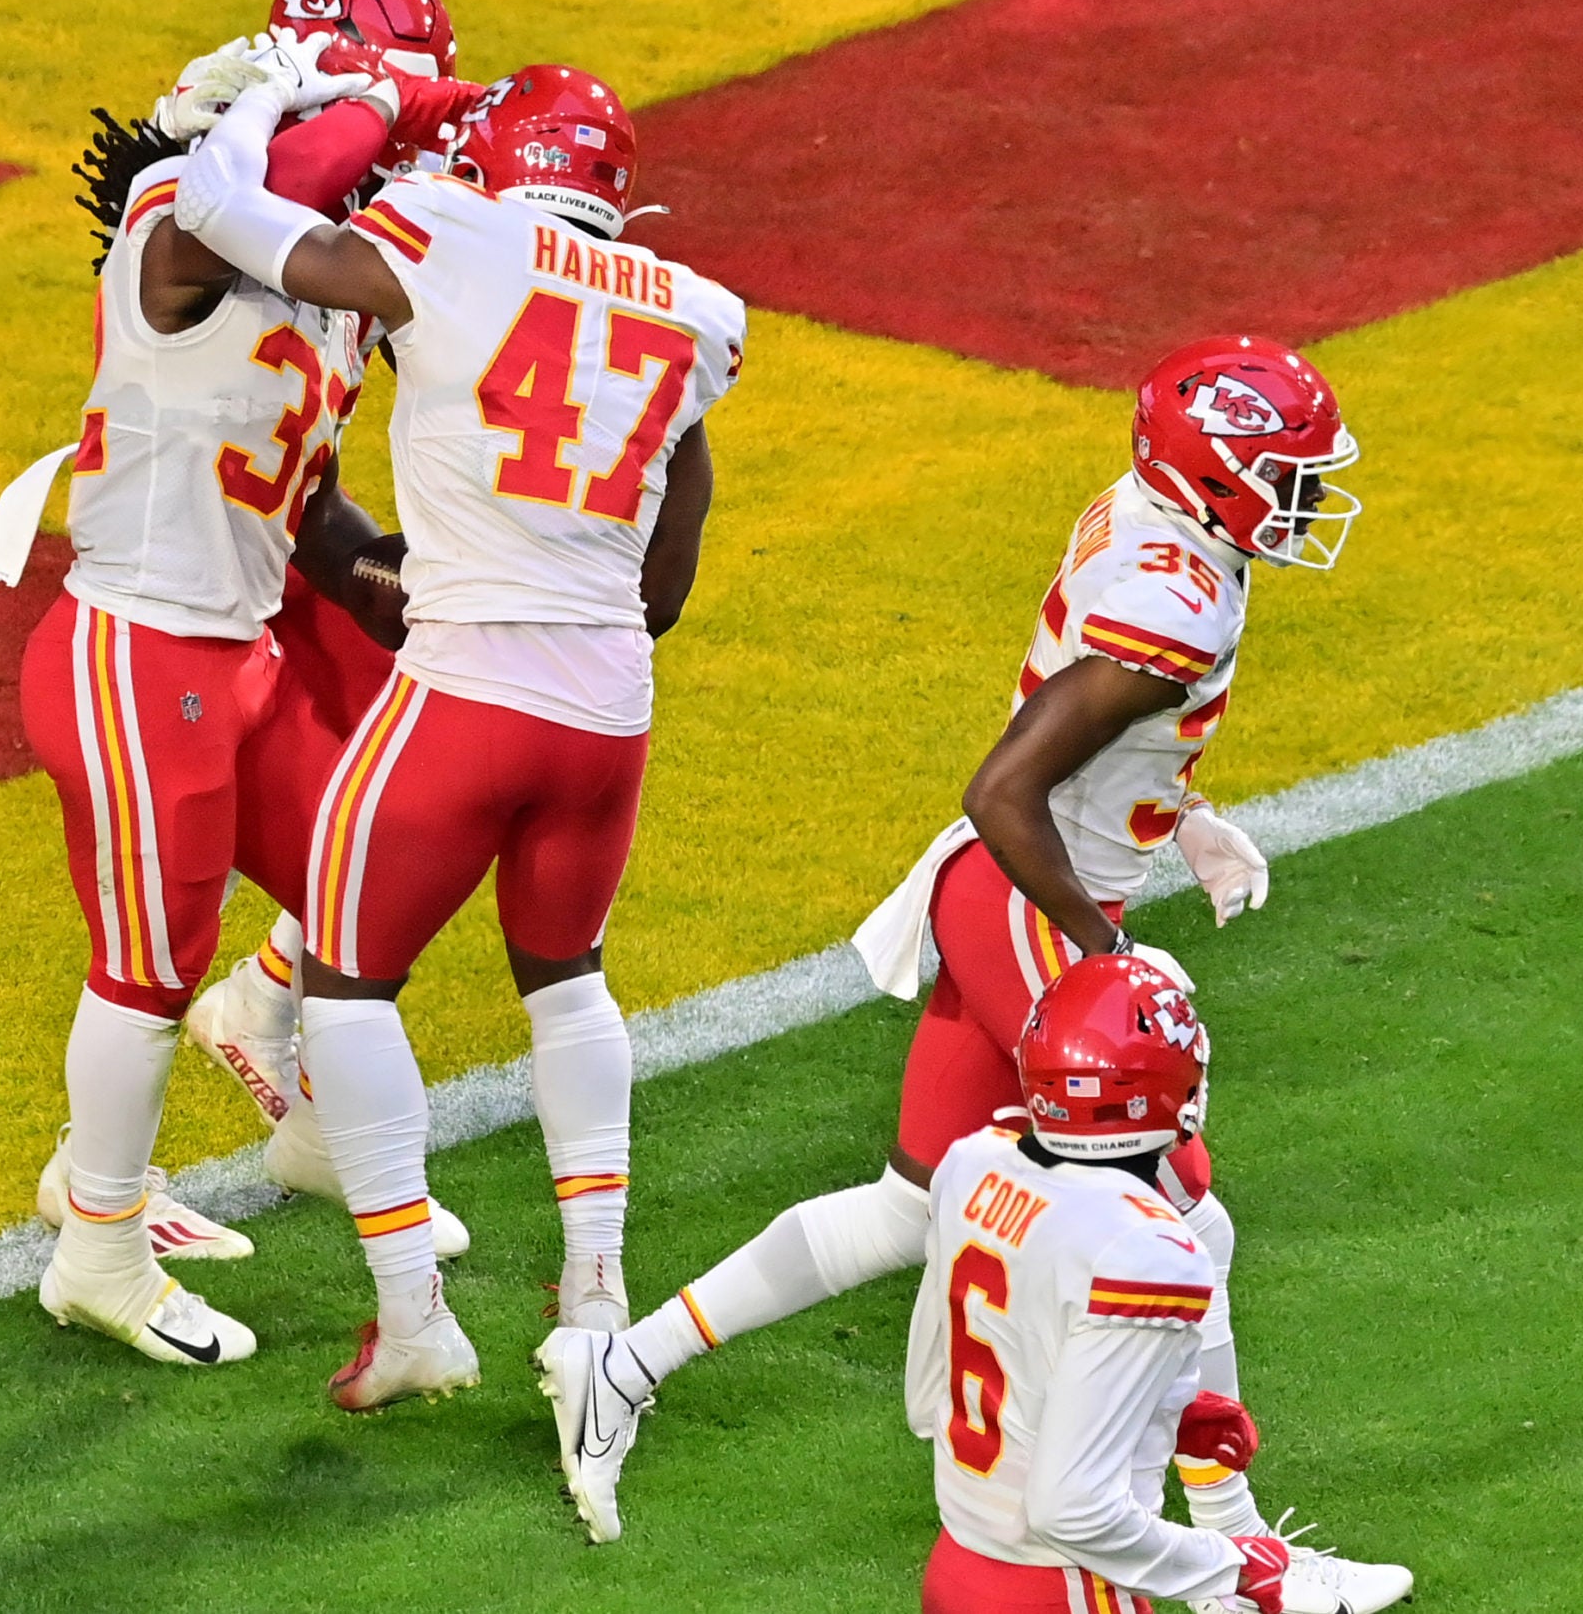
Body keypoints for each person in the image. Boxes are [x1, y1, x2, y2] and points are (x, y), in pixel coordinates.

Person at [534, 338, 1409, 1606]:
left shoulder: (1164, 532)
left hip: (1003, 887)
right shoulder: (1175, 596)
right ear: (1214, 476)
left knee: (907, 1206)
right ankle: (1238, 1550)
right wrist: (1105, 960)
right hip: (1021, 891)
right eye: (1283, 476)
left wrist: (1182, 810)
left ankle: (621, 1363)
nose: (1302, 503)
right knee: (1180, 1201)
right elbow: (1004, 788)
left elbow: (1091, 737)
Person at [175, 59, 747, 1408]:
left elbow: (216, 211)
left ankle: (413, 1313)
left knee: (349, 983)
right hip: (609, 709)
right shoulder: (704, 314)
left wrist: (260, 102)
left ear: (504, 158)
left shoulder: (448, 225)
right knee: (569, 977)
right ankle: (598, 1291)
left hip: (466, 688)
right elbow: (667, 577)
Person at [19, 0, 483, 1365]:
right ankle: (96, 1238)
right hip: (137, 641)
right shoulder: (178, 217)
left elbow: (306, 490)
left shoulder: (305, 264)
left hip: (235, 644)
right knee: (148, 970)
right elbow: (321, 152)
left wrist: (371, 572)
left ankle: (304, 1113)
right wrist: (387, 96)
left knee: (379, 866)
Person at [911, 956, 1296, 1612]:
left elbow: (931, 1397)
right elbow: (1072, 1512)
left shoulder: (975, 1161)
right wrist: (1231, 1566)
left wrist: (1156, 1413)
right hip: (1064, 1589)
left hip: (955, 1567)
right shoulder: (1149, 1248)